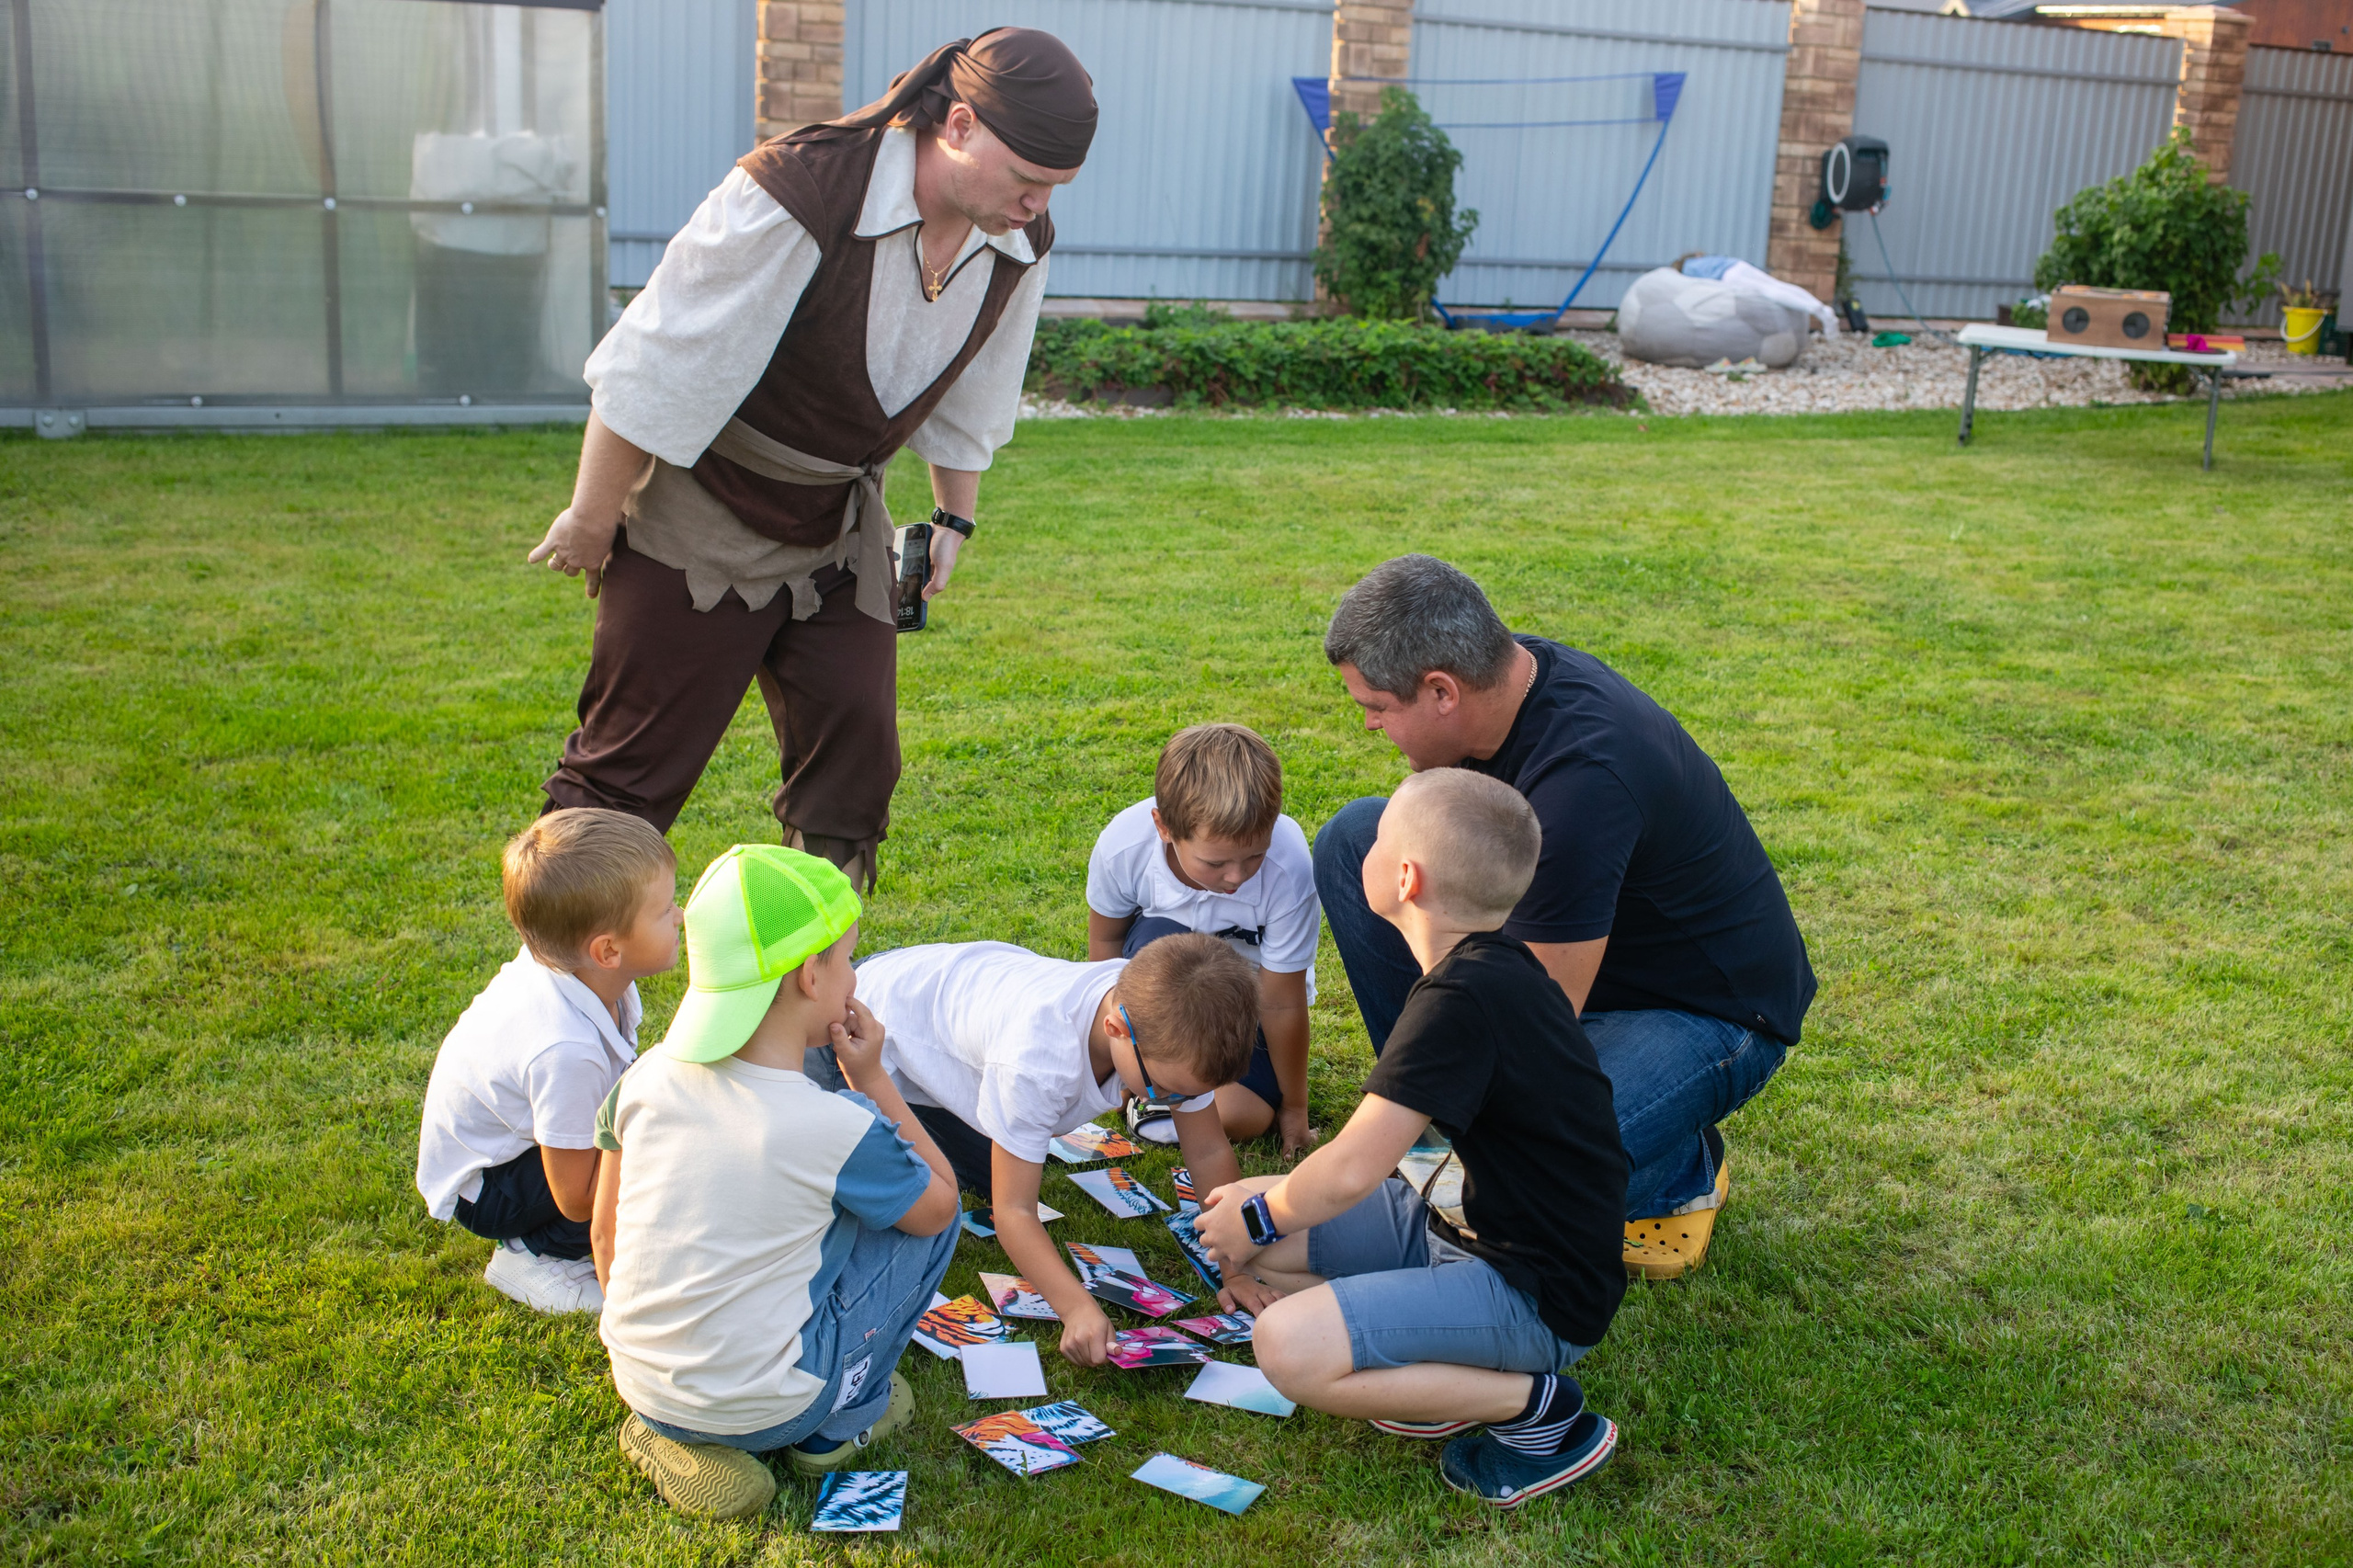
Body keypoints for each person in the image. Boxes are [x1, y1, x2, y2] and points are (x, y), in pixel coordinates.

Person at [528, 29, 1097, 890]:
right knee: (626, 779)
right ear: (961, 126)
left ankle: (814, 996)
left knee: (854, 766)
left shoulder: (1019, 240)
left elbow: (979, 386)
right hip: (703, 510)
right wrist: (593, 514)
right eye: (1028, 181)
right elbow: (653, 364)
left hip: (838, 529)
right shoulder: (800, 190)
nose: (1038, 205)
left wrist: (952, 515)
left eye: (1054, 188)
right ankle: (552, 1005)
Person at [1314, 555, 1815, 1279]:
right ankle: (1435, 1116)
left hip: (1705, 1014)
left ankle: (1678, 1164)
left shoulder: (1584, 782)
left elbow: (1534, 1026)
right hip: (1581, 956)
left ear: (1441, 691)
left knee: (1516, 1191)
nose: (1368, 725)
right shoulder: (1510, 683)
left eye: (1377, 706)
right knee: (1361, 838)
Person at [1197, 770, 1629, 1510]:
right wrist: (1251, 1215)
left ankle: (1534, 1408)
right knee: (1231, 1213)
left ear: (1405, 876)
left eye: (1378, 839)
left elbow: (1354, 1167)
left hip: (1532, 1294)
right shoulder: (1486, 970)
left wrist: (1263, 1216)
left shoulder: (1460, 1001)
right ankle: (1441, 1364)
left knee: (1284, 1344)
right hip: (1454, 1227)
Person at [592, 846, 960, 1521]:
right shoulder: (835, 1123)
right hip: (780, 1404)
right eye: (848, 958)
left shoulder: (642, 1080)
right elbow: (940, 1202)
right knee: (923, 1213)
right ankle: (842, 1424)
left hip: (638, 1375)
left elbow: (605, 1232)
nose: (854, 977)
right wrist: (873, 1080)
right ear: (808, 976)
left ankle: (667, 1427)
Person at [847, 933, 1258, 1366]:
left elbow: (1209, 1151)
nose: (1176, 1106)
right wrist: (1076, 1308)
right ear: (1116, 1029)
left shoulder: (1162, 1021)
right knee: (918, 1196)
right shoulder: (1037, 1065)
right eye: (1167, 1093)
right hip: (864, 1025)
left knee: (994, 1170)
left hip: (947, 1011)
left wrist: (1237, 1267)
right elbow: (1015, 1213)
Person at [414, 808, 680, 1315]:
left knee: (660, 1136)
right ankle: (533, 1256)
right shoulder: (565, 1049)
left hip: (519, 1148)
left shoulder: (582, 975)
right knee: (658, 1161)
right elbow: (577, 1199)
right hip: (490, 1188)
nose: (681, 916)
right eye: (664, 909)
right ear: (607, 951)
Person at [1085, 722, 1320, 1155]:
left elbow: (1281, 1000)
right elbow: (1106, 953)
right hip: (1165, 991)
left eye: (1255, 856)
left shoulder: (1290, 868)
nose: (1236, 877)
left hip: (1247, 1007)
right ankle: (1148, 1083)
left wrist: (1295, 1106)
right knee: (1157, 934)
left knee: (1247, 1119)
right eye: (1215, 863)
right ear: (1164, 828)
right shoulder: (1123, 847)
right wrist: (1107, 1064)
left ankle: (1154, 1097)